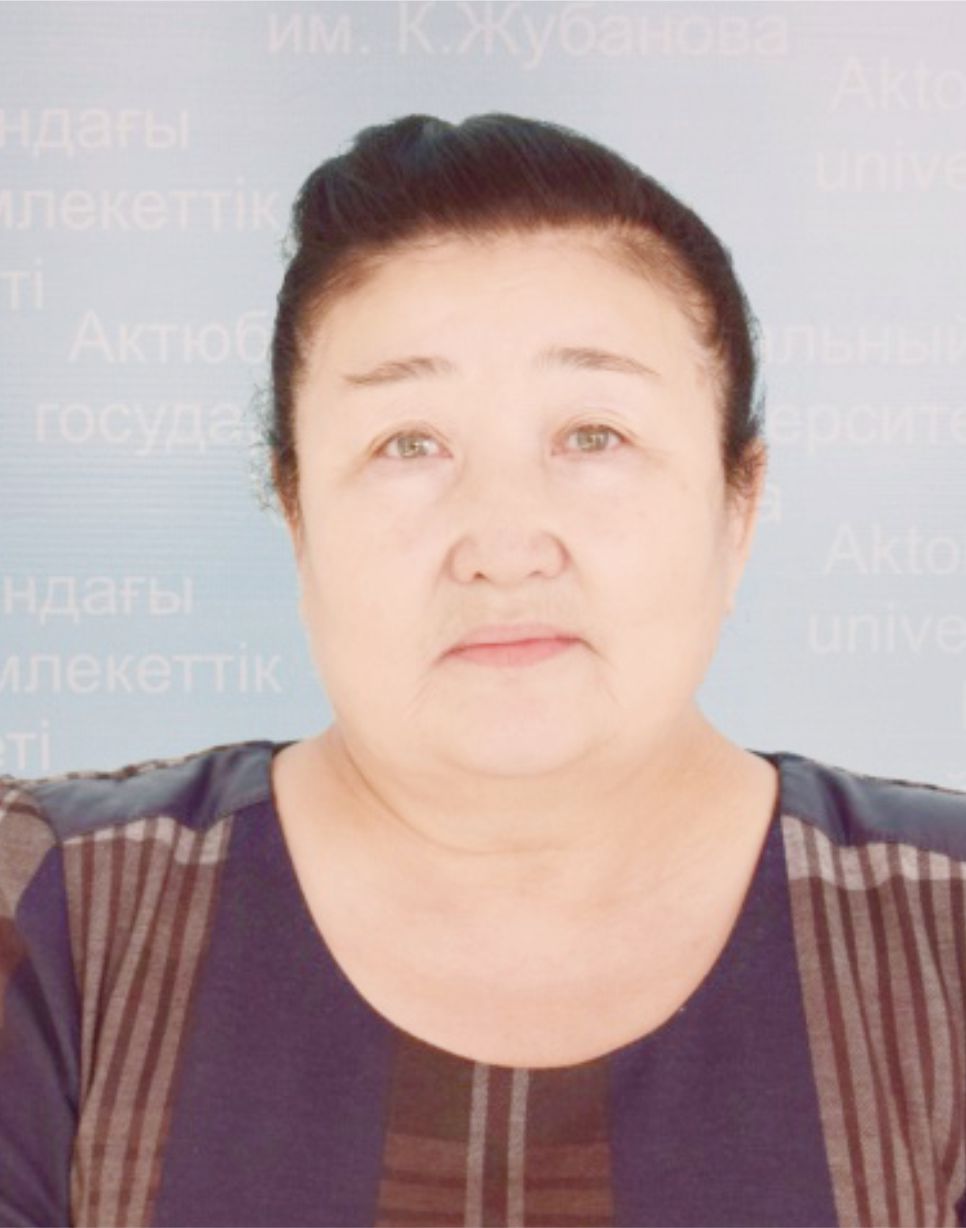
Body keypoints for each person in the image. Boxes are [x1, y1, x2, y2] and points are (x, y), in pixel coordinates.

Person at [0, 112, 963, 1228]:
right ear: (297, 512)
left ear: (738, 505)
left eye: (593, 435)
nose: (504, 545)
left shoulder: (941, 921)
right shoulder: (52, 905)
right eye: (409, 444)